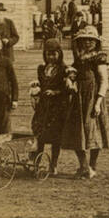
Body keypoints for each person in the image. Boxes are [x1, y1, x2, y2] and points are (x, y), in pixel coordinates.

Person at [30, 37, 80, 176]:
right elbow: (41, 83)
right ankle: (37, 163)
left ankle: (54, 165)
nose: (51, 57)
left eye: (54, 54)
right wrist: (37, 89)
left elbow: (68, 90)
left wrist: (55, 92)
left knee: (55, 137)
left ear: (59, 53)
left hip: (57, 108)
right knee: (39, 135)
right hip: (43, 106)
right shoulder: (42, 69)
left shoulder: (64, 70)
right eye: (48, 54)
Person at [71, 26, 109, 178]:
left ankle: (92, 165)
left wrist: (98, 102)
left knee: (93, 131)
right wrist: (70, 78)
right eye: (84, 40)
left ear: (96, 42)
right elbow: (73, 72)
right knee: (76, 131)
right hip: (78, 99)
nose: (87, 43)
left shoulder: (98, 58)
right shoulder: (79, 58)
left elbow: (104, 81)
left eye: (91, 40)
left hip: (92, 98)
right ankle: (83, 165)